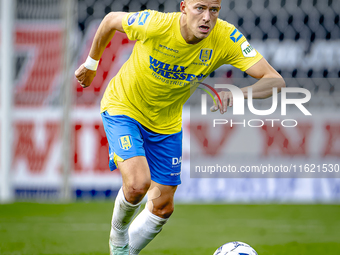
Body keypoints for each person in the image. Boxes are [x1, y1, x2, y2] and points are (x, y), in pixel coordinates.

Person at [75, 0, 285, 254]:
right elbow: (109, 21)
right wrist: (91, 64)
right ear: (184, 7)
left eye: (214, 10)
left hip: (166, 123)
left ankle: (124, 254)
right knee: (138, 184)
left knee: (163, 206)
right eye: (200, 8)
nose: (207, 17)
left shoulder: (225, 37)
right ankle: (118, 241)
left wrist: (241, 93)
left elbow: (275, 80)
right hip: (124, 107)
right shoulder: (156, 24)